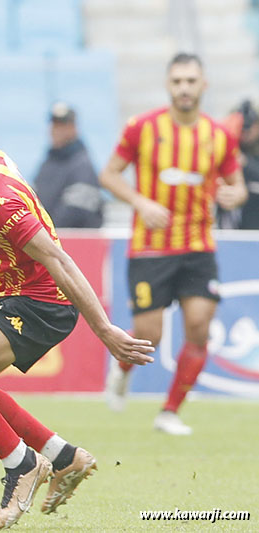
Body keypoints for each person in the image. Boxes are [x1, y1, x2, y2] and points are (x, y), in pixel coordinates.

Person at [0, 90, 154, 529]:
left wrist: (105, 331)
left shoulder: (0, 201)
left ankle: (22, 464)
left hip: (42, 305)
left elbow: (60, 261)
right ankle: (63, 456)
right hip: (19, 297)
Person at [99, 53, 248, 434]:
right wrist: (140, 202)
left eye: (191, 81)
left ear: (203, 85)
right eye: (178, 81)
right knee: (150, 335)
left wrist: (235, 195)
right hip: (150, 248)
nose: (184, 88)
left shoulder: (219, 135)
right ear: (168, 85)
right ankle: (122, 369)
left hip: (198, 246)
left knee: (198, 326)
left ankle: (169, 412)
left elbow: (238, 186)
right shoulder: (142, 128)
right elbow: (109, 175)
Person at [33, 102, 104, 228]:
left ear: (73, 128)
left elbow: (76, 213)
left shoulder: (82, 165)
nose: (56, 130)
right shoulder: (48, 162)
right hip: (47, 235)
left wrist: (44, 232)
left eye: (62, 126)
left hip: (71, 238)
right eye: (54, 125)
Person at [219, 99, 259, 230]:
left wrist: (245, 162)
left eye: (248, 128)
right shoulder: (224, 146)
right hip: (228, 226)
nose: (244, 134)